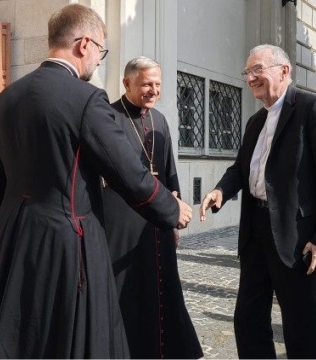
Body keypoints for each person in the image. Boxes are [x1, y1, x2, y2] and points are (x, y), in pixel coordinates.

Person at [0, 4, 193, 359]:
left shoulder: (4, 99)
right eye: (101, 51)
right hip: (67, 240)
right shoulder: (87, 99)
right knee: (71, 337)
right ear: (84, 44)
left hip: (9, 237)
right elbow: (129, 173)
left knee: (19, 334)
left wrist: (1, 229)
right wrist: (169, 208)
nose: (99, 60)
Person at [199, 44, 316, 358]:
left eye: (258, 69)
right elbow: (240, 169)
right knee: (248, 319)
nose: (251, 77)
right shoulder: (256, 121)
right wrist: (220, 191)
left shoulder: (311, 108)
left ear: (284, 71)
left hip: (297, 237)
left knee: (300, 324)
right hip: (255, 232)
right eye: (247, 72)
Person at [102, 56, 203, 359]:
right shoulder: (109, 117)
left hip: (157, 221)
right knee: (127, 289)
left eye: (157, 84)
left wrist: (173, 219)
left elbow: (170, 172)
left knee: (160, 286)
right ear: (127, 83)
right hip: (121, 221)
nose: (153, 90)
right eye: (146, 84)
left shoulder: (159, 120)